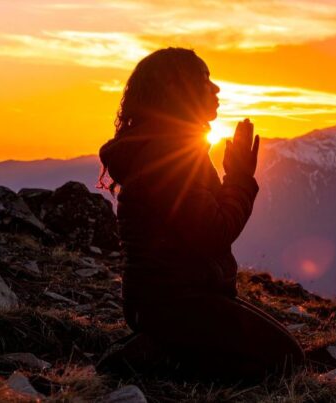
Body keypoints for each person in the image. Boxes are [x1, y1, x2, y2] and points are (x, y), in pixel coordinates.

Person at [96, 47, 305, 384]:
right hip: (173, 304)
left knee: (283, 356)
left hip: (171, 299)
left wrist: (233, 177)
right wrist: (238, 178)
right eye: (204, 79)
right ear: (179, 91)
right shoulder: (169, 154)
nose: (216, 89)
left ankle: (165, 349)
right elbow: (214, 232)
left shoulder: (170, 147)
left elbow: (202, 223)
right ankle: (152, 357)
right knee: (285, 363)